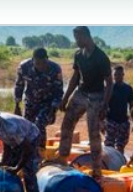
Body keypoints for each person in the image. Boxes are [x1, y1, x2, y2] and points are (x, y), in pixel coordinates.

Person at [56, 26, 112, 181]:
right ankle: (62, 158)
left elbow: (109, 82)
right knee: (67, 124)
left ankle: (97, 169)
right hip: (81, 93)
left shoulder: (101, 57)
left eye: (79, 38)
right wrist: (65, 98)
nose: (77, 41)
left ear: (87, 36)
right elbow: (75, 77)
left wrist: (105, 105)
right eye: (75, 38)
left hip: (97, 96)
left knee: (93, 133)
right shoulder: (78, 55)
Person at [13, 47, 64, 152]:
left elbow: (58, 91)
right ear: (33, 60)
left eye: (44, 63)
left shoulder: (55, 69)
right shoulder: (24, 67)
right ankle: (27, 153)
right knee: (27, 127)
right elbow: (19, 86)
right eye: (38, 63)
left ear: (47, 59)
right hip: (30, 102)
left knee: (39, 123)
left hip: (47, 103)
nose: (41, 66)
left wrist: (53, 110)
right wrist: (17, 105)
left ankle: (40, 152)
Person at [105, 65, 133, 154]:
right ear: (113, 76)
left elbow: (131, 106)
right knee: (109, 145)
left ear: (123, 74)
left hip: (123, 121)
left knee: (121, 146)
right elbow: (103, 105)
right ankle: (108, 165)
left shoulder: (128, 89)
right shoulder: (109, 88)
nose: (117, 77)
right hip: (111, 120)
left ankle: (119, 163)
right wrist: (101, 121)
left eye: (119, 74)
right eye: (115, 75)